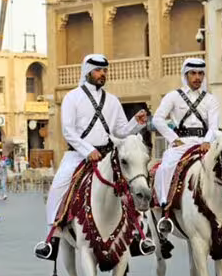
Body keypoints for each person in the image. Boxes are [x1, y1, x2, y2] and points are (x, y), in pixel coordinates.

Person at [34, 54, 147, 260]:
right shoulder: (72, 97)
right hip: (77, 155)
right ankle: (52, 238)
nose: (102, 74)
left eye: (105, 70)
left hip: (106, 155)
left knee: (131, 184)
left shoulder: (112, 100)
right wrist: (88, 150)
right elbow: (68, 131)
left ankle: (138, 236)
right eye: (98, 70)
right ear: (87, 72)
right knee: (58, 187)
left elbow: (121, 131)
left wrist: (136, 123)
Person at [152, 58, 219, 230]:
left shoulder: (210, 99)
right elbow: (158, 119)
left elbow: (214, 126)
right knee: (166, 167)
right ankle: (165, 208)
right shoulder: (173, 96)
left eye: (200, 74)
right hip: (181, 144)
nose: (197, 77)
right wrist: (174, 139)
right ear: (185, 75)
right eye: (193, 74)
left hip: (205, 143)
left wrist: (207, 141)